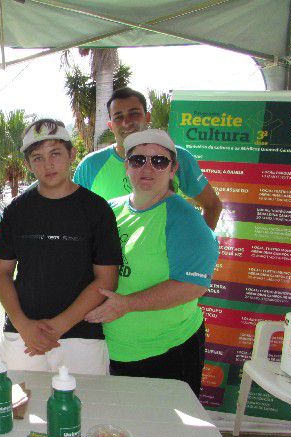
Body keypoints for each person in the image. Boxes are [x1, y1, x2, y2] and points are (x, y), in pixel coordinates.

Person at [85, 129, 219, 395]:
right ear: (127, 166)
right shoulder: (110, 210)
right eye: (138, 160)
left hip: (168, 351)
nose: (148, 168)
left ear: (173, 169)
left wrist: (127, 304)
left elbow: (192, 286)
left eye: (159, 161)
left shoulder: (185, 219)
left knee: (164, 432)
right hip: (109, 350)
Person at [0, 119, 122, 374]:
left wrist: (58, 327)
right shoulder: (16, 211)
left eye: (55, 153)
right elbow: (2, 273)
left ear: (72, 154)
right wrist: (24, 326)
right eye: (37, 157)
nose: (48, 164)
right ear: (28, 164)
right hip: (23, 335)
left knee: (84, 411)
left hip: (82, 335)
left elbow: (107, 281)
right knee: (20, 410)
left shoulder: (97, 210)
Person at [74, 87, 222, 230]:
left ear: (148, 117)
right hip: (108, 254)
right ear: (110, 125)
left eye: (134, 113)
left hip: (162, 254)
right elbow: (74, 218)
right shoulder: (90, 166)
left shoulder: (177, 157)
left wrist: (200, 245)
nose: (127, 122)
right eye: (118, 117)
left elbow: (212, 206)